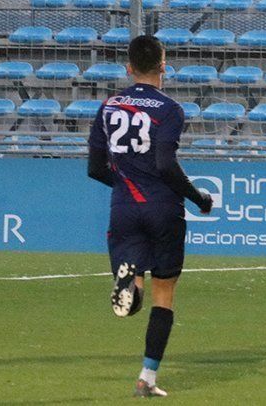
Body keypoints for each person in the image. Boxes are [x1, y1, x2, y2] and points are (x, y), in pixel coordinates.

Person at [87, 34, 213, 397]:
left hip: (123, 206)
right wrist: (198, 198)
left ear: (128, 68)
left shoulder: (109, 106)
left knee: (134, 285)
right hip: (162, 208)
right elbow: (165, 164)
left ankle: (130, 284)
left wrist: (126, 187)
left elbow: (95, 168)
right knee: (165, 293)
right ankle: (147, 378)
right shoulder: (170, 109)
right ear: (163, 65)